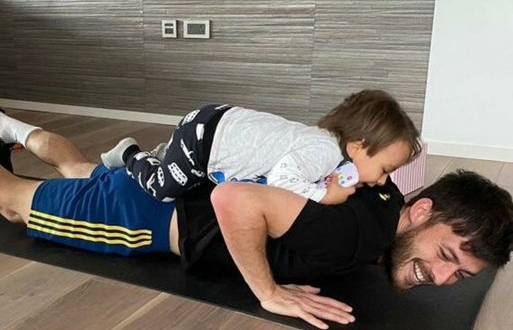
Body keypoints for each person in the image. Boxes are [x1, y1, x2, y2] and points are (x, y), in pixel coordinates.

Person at [1, 113, 512, 330]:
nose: (441, 278)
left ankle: (12, 128)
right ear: (421, 210)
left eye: (460, 275)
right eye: (446, 256)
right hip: (140, 217)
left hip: (162, 191)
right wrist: (268, 292)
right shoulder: (350, 234)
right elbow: (236, 200)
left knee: (79, 169)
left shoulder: (383, 193)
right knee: (12, 202)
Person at [100, 90, 422, 205]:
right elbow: (282, 179)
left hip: (220, 124)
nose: (383, 180)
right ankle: (131, 154)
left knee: (191, 182)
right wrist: (325, 196)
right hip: (202, 140)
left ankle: (167, 154)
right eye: (385, 170)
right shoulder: (324, 153)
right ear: (356, 146)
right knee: (164, 190)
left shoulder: (331, 148)